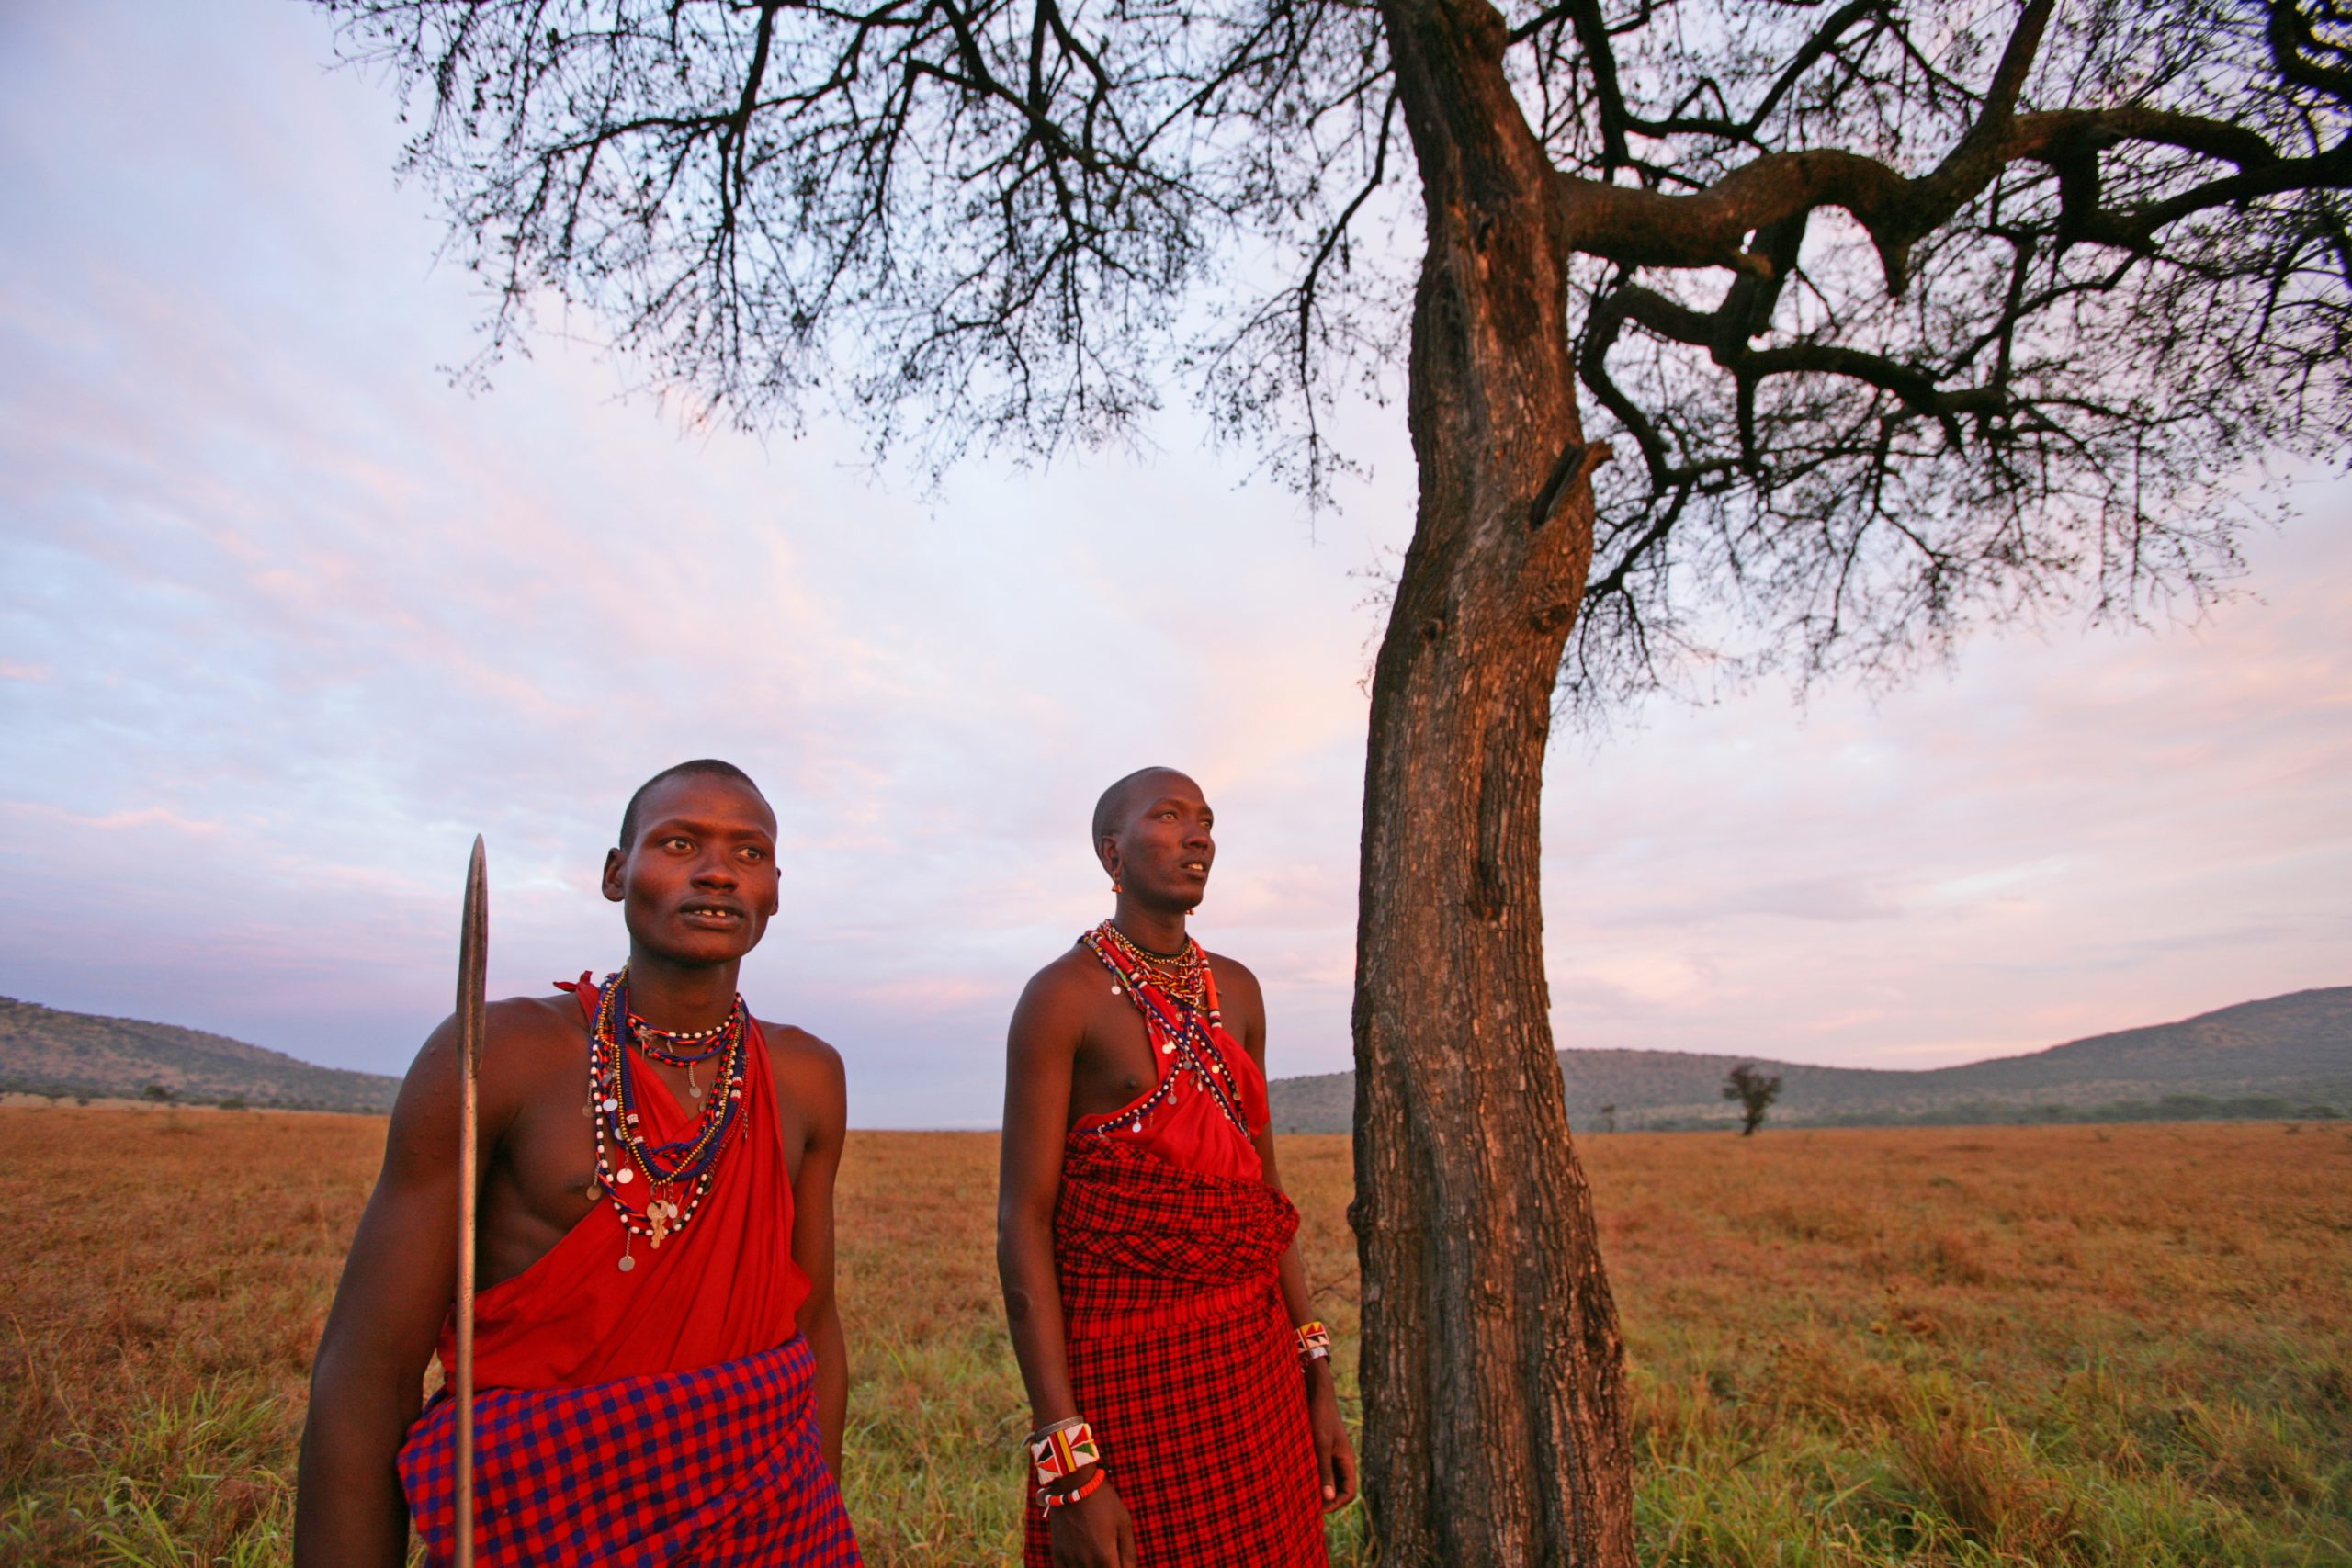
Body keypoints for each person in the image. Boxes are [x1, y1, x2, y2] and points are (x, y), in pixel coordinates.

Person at [295, 760, 860, 1568]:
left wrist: (812, 1524)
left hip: (764, 1527)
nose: (717, 871)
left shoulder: (807, 1075)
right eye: (679, 843)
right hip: (538, 1524)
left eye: (750, 853)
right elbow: (366, 1371)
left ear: (774, 891)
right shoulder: (501, 1054)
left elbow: (813, 1330)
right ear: (615, 874)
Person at [998, 766, 1357, 1566]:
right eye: (1169, 816)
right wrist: (1067, 1462)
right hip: (1123, 1376)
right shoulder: (1061, 998)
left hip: (1257, 1371)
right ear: (1111, 852)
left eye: (1207, 820)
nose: (1198, 836)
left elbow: (1266, 1202)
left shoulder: (1239, 990)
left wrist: (1318, 1375)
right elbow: (1023, 1221)